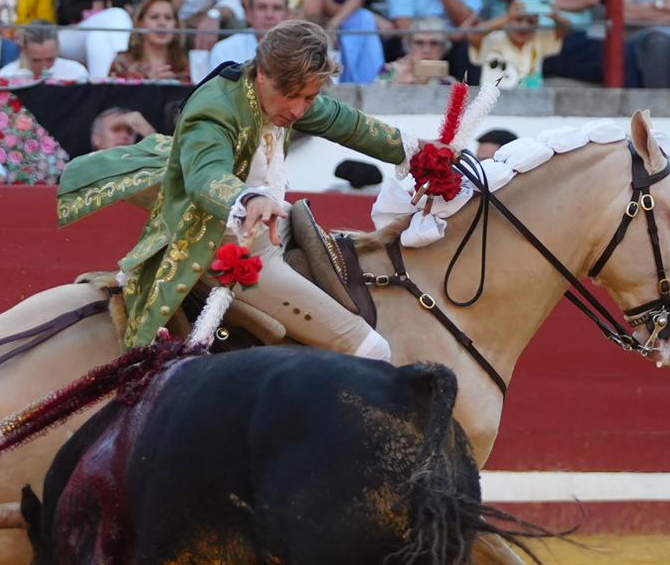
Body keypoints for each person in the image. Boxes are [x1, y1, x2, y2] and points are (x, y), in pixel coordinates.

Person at [58, 18, 420, 355]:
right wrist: (247, 199)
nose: (298, 110)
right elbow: (205, 176)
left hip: (272, 227)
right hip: (230, 243)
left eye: (308, 97)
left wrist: (417, 151)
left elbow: (345, 122)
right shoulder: (214, 110)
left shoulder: (281, 94)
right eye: (292, 95)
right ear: (262, 73)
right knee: (372, 350)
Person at [465, 0, 569, 88]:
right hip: (494, 104)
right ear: (507, 18)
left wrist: (556, 16)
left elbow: (564, 30)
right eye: (518, 19)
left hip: (531, 103)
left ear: (537, 23)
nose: (524, 26)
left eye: (531, 21)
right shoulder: (492, 37)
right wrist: (508, 17)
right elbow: (473, 34)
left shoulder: (539, 38)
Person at [208, 0, 290, 72]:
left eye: (277, 8)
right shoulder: (224, 51)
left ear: (287, 14)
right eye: (262, 7)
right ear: (249, 13)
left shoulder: (300, 51)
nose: (269, 14)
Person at [109, 0, 191, 80]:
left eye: (168, 18)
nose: (162, 23)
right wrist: (146, 80)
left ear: (176, 26)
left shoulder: (184, 66)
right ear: (140, 24)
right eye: (154, 17)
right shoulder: (123, 63)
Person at [0, 22, 90, 81]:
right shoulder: (7, 76)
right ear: (23, 49)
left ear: (58, 47)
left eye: (50, 59)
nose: (44, 66)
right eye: (36, 60)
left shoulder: (76, 72)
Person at [378, 16, 453, 82]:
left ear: (443, 48)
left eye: (434, 43)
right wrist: (400, 84)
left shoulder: (447, 83)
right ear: (409, 45)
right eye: (419, 43)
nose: (426, 50)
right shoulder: (389, 71)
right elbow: (375, 97)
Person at [89, 106, 156, 150]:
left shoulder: (142, 169)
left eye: (130, 132)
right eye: (116, 129)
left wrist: (147, 130)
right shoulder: (81, 168)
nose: (125, 136)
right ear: (96, 138)